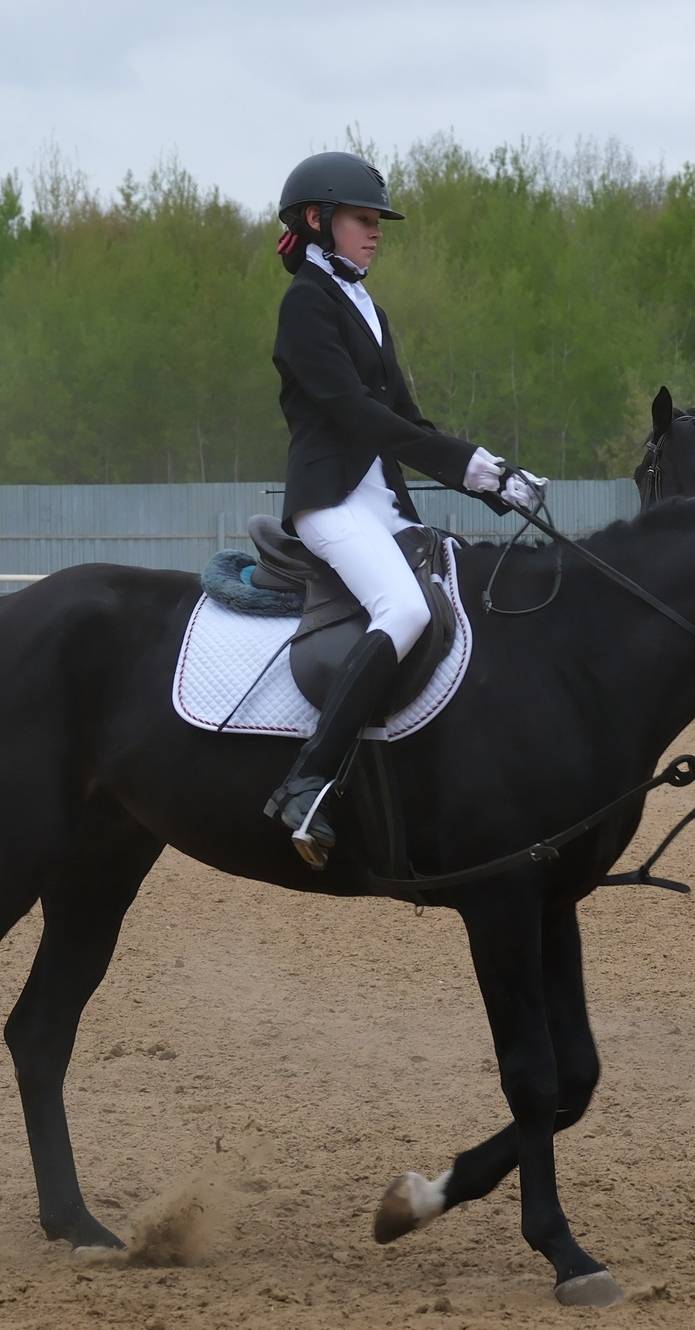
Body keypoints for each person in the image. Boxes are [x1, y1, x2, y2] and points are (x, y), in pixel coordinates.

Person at [262, 150, 542, 869]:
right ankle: (307, 783)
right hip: (331, 502)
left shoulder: (368, 309)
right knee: (406, 609)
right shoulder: (306, 304)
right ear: (317, 220)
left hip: (384, 502)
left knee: (462, 588)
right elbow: (353, 412)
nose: (376, 231)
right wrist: (469, 464)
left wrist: (490, 479)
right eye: (362, 219)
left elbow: (407, 422)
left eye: (378, 221)